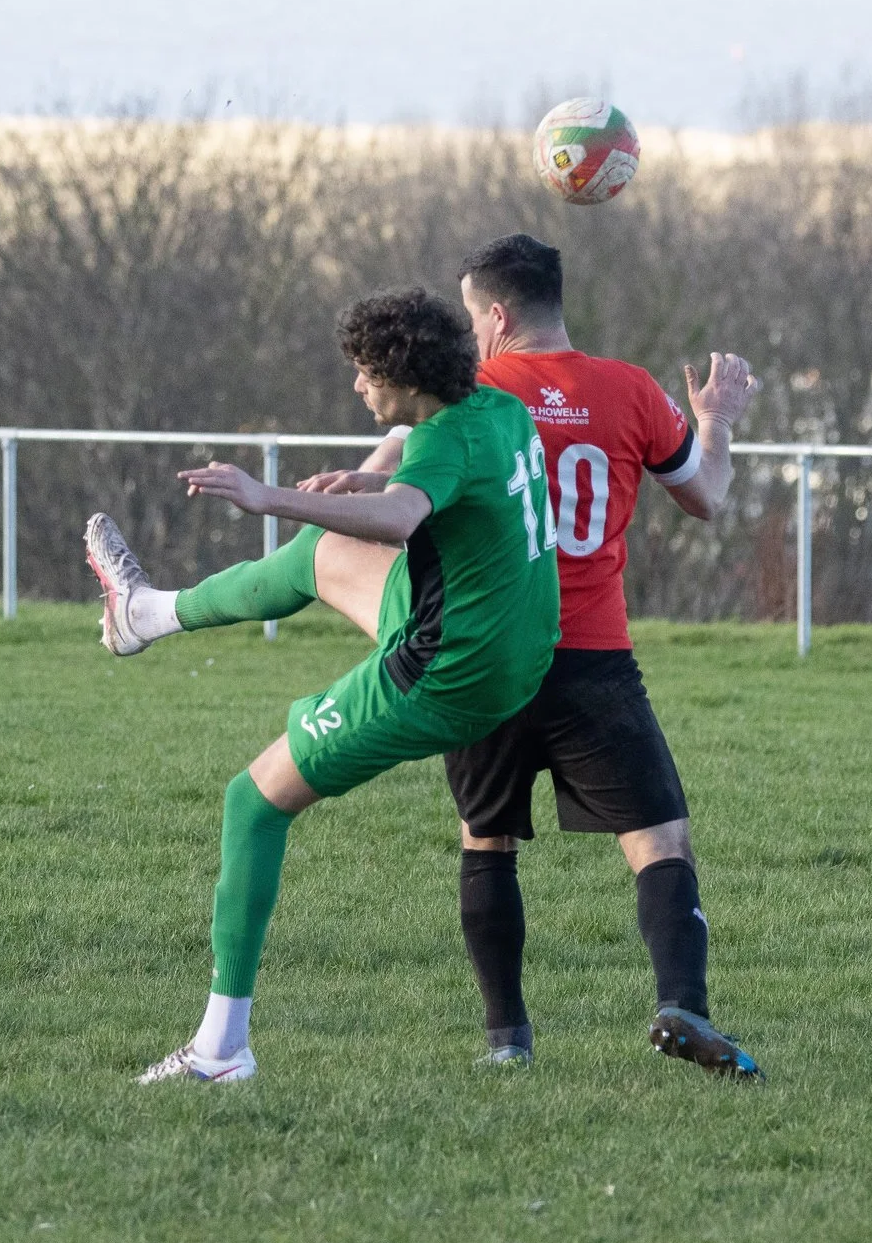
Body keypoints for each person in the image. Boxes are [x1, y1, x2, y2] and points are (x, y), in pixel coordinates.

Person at [305, 234, 762, 1077]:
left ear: (499, 315)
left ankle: (507, 1043)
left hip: (488, 651)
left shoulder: (472, 395)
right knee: (660, 843)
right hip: (594, 657)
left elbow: (389, 476)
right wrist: (716, 419)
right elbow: (707, 496)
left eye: (474, 319)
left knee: (486, 840)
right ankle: (680, 1007)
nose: (471, 338)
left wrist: (359, 478)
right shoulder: (629, 390)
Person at [85, 287, 558, 1083]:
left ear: (403, 377)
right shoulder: (499, 409)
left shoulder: (442, 441)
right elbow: (437, 481)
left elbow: (409, 513)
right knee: (322, 553)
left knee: (252, 800)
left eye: (362, 372)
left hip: (447, 676)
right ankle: (147, 613)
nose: (355, 387)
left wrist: (267, 495)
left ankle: (219, 1051)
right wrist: (364, 481)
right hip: (516, 645)